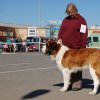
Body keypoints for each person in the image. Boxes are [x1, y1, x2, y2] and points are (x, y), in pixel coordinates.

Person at [58, 3, 88, 90]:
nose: (70, 14)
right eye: (68, 12)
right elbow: (61, 31)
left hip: (77, 48)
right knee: (67, 67)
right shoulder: (65, 20)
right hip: (65, 48)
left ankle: (77, 83)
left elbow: (84, 34)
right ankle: (68, 83)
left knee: (77, 65)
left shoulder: (81, 20)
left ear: (75, 10)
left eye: (71, 12)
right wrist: (60, 38)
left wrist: (82, 48)